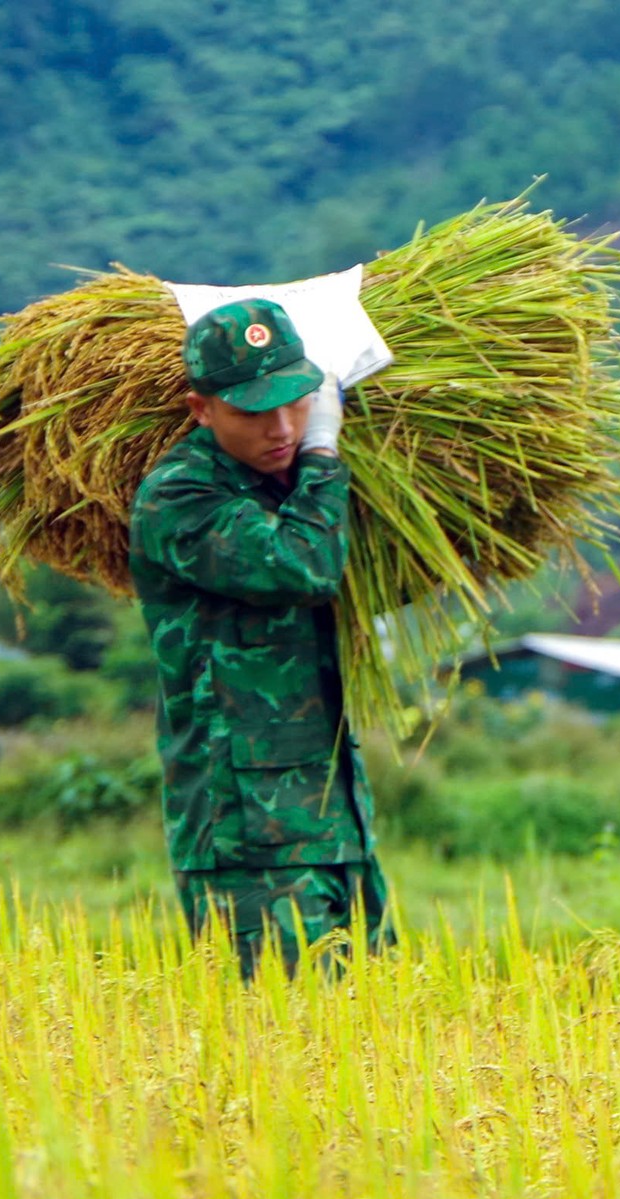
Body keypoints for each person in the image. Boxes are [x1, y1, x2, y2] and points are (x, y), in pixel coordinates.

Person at [128, 298, 390, 979]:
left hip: (334, 818)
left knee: (378, 1043)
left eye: (298, 404)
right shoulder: (181, 498)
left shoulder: (292, 488)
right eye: (252, 412)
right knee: (280, 1047)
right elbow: (305, 565)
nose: (281, 429)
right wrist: (326, 452)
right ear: (201, 410)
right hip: (247, 833)